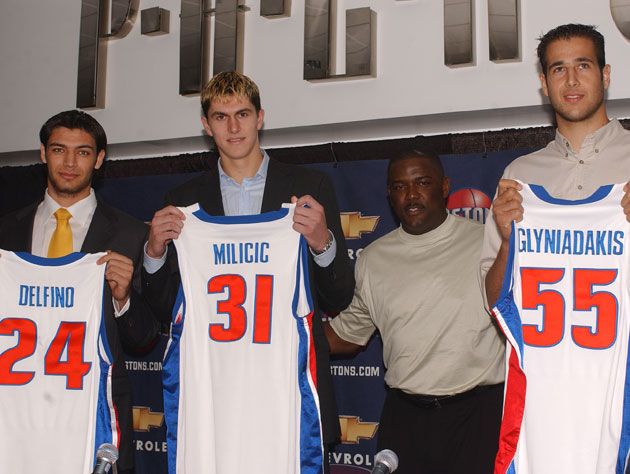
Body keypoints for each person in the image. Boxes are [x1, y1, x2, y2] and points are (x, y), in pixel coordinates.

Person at [142, 71, 355, 471]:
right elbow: (163, 310)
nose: (234, 126)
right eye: (221, 117)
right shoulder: (183, 200)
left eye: (242, 113)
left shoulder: (309, 187)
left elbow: (339, 296)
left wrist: (323, 243)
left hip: (287, 390)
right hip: (215, 395)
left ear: (261, 117)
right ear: (206, 125)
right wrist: (153, 252)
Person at [480, 24, 630, 473]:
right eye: (558, 69)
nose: (570, 81)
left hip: (620, 390)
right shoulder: (520, 174)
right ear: (544, 84)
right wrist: (508, 242)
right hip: (545, 403)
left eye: (582, 66)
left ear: (605, 75)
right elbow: (492, 300)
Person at [325, 150, 505, 474]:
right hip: (405, 418)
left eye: (422, 182)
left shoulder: (486, 241)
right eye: (399, 186)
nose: (411, 195)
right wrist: (285, 335)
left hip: (477, 416)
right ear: (389, 194)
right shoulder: (373, 258)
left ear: (445, 186)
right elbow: (348, 335)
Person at [0, 110, 159, 473]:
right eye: (59, 150)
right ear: (43, 153)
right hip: (13, 409)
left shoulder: (131, 234)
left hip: (95, 410)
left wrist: (123, 300)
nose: (69, 162)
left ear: (100, 159)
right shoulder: (6, 234)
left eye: (83, 152)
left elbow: (145, 337)